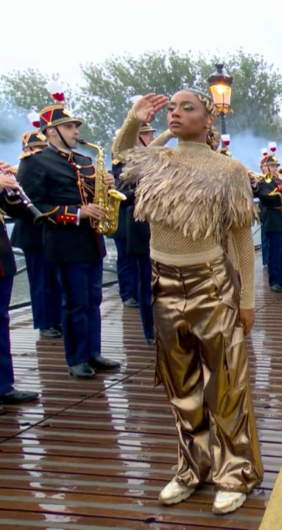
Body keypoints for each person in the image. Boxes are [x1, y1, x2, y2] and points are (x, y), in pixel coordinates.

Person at [119, 90, 262, 515]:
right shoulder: (157, 160)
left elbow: (239, 239)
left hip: (211, 284)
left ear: (208, 120)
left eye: (188, 108)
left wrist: (248, 299)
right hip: (163, 282)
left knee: (225, 383)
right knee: (181, 384)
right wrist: (135, 118)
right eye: (172, 107)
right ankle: (193, 466)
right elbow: (123, 153)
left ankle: (236, 473)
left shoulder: (229, 170)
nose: (177, 113)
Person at [17, 97, 121, 379]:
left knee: (93, 299)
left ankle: (92, 352)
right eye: (71, 127)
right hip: (64, 241)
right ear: (52, 131)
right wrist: (77, 212)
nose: (77, 132)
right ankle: (76, 359)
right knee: (74, 301)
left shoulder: (85, 160)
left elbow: (92, 193)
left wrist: (108, 185)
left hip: (92, 241)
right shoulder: (35, 162)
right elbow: (33, 206)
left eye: (75, 127)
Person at [112, 108, 163, 345]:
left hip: (161, 228)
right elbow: (122, 193)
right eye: (148, 134)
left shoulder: (156, 160)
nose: (152, 138)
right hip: (140, 227)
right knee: (146, 283)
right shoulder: (123, 162)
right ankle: (149, 329)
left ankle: (165, 324)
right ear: (139, 137)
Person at [7, 128, 62, 339]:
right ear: (28, 150)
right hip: (32, 234)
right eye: (37, 150)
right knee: (40, 281)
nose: (40, 154)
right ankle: (44, 322)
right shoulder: (21, 170)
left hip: (51, 232)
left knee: (55, 280)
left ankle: (56, 319)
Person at [0, 166, 42, 415]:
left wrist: (11, 191)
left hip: (1, 258)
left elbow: (15, 211)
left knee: (1, 323)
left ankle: (4, 386)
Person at [254, 150, 282, 292]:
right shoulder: (262, 183)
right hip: (273, 219)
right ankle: (274, 282)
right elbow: (268, 198)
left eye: (275, 166)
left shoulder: (278, 181)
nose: (275, 169)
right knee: (275, 252)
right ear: (264, 168)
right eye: (272, 166)